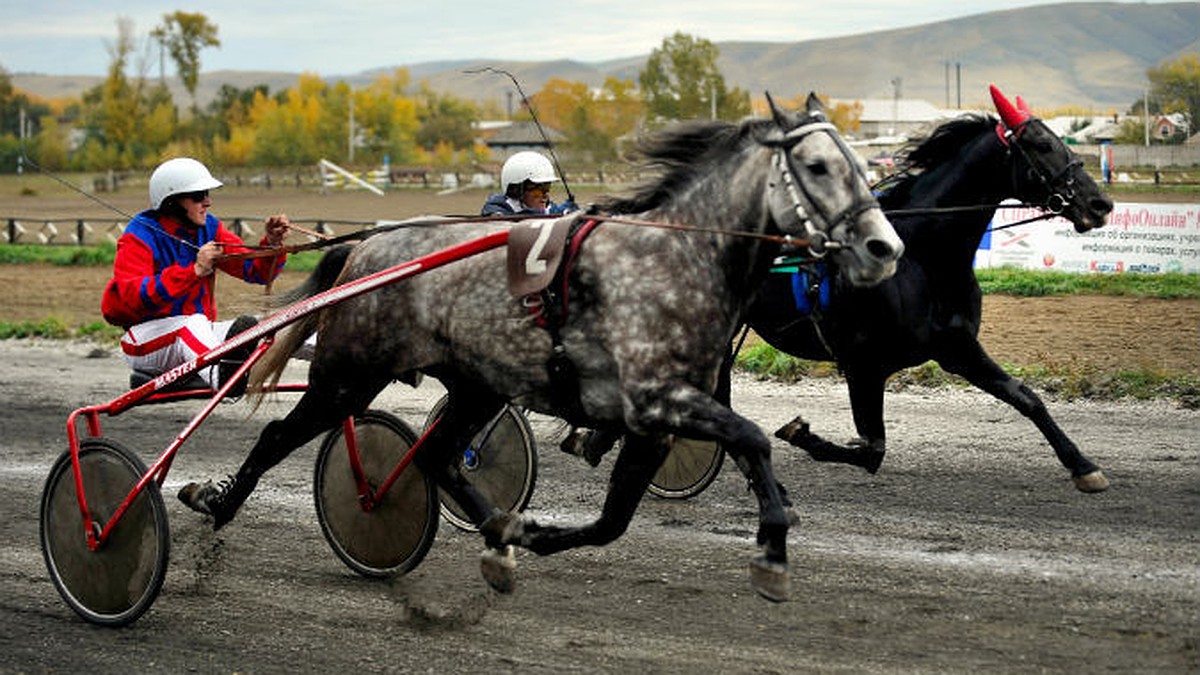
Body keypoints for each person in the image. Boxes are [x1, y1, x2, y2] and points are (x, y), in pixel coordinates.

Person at [101, 157, 290, 393]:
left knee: (269, 326)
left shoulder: (210, 228)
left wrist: (271, 245)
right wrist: (194, 271)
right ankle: (222, 378)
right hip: (144, 343)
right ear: (171, 202)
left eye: (208, 194)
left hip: (195, 337)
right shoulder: (138, 236)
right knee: (194, 322)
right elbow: (133, 296)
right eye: (198, 196)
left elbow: (256, 272)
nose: (208, 202)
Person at [481, 150, 577, 216]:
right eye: (538, 191)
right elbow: (492, 210)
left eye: (547, 189)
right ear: (516, 190)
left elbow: (560, 209)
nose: (545, 196)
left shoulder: (548, 209)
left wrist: (570, 209)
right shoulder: (498, 210)